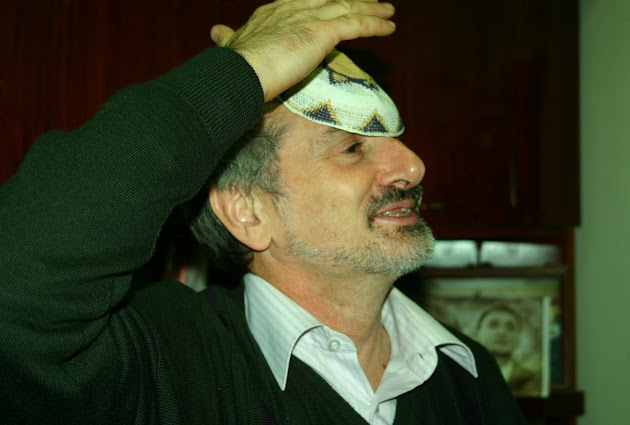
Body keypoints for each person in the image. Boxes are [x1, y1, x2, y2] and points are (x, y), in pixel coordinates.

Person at [0, 0, 526, 423]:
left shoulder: (468, 375)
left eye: (398, 140)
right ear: (247, 211)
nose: (412, 166)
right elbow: (16, 282)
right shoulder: (162, 362)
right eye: (351, 148)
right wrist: (239, 73)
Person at [475, 304, 542, 396]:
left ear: (518, 337)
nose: (502, 332)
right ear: (477, 333)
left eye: (510, 327)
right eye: (493, 325)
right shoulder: (463, 376)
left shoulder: (533, 380)